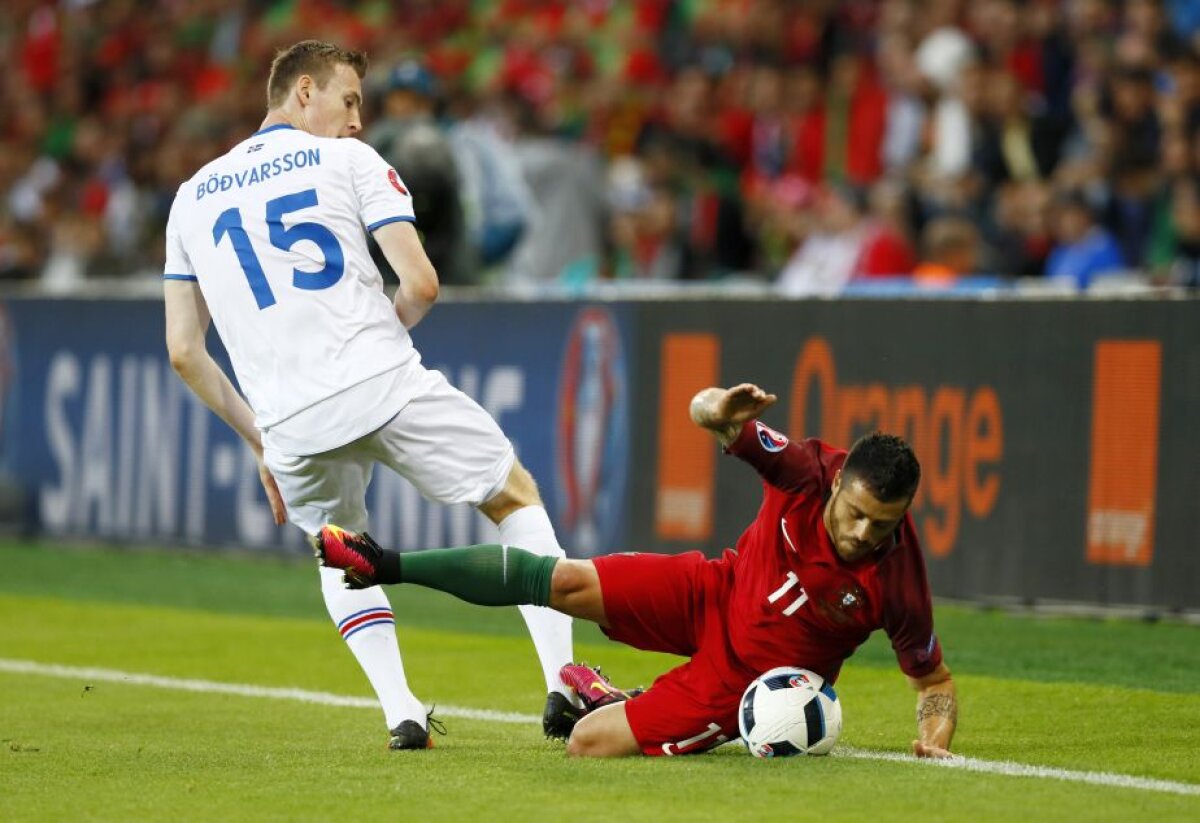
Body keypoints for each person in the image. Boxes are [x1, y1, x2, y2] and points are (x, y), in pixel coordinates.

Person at [161, 40, 578, 751]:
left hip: (289, 424)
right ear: (301, 92)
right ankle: (566, 686)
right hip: (380, 380)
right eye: (349, 100)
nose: (359, 120)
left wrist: (261, 437)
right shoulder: (351, 162)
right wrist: (368, 340)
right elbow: (421, 284)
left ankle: (401, 710)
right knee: (513, 495)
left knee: (341, 550)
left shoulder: (191, 196)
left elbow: (183, 350)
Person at [316, 383, 959, 759]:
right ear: (840, 481)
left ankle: (616, 702)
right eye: (856, 514)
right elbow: (710, 413)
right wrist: (721, 409)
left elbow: (933, 680)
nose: (863, 533)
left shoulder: (897, 575)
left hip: (738, 685)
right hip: (713, 591)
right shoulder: (807, 471)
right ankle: (383, 564)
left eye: (883, 523)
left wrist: (935, 734)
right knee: (564, 580)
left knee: (584, 745)